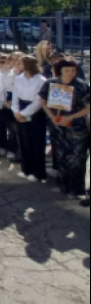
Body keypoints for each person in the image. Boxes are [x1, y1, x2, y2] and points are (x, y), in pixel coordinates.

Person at [40, 59, 90, 200]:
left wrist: (71, 117)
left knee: (76, 158)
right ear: (60, 71)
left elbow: (88, 107)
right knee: (61, 156)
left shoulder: (82, 86)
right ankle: (63, 186)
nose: (70, 73)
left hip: (77, 128)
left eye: (73, 70)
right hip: (57, 126)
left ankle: (76, 189)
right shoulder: (51, 84)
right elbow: (42, 100)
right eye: (67, 70)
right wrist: (51, 116)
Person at [12, 56, 48, 183]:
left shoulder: (41, 80)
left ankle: (38, 172)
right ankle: (26, 168)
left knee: (36, 143)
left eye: (20, 63)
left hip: (35, 113)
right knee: (24, 140)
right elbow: (15, 95)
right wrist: (16, 111)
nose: (17, 65)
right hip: (21, 108)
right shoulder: (18, 78)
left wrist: (24, 114)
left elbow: (39, 101)